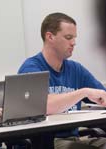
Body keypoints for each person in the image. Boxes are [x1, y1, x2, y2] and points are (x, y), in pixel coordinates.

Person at [18, 12, 106, 149]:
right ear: (50, 37)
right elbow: (45, 105)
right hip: (49, 142)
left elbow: (102, 95)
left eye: (74, 38)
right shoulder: (31, 68)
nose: (73, 43)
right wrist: (83, 92)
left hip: (76, 139)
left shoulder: (75, 69)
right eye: (68, 37)